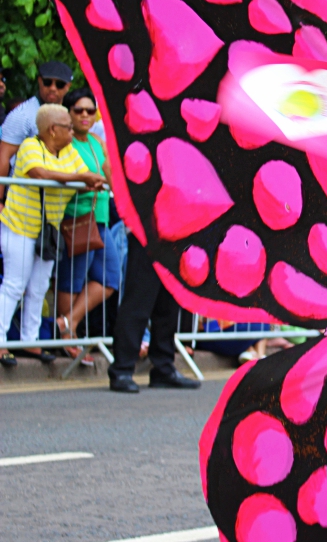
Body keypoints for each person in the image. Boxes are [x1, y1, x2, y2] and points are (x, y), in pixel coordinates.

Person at [0, 104, 103, 367]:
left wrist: (83, 177)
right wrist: (79, 176)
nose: (72, 130)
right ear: (53, 130)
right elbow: (41, 174)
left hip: (48, 231)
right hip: (20, 225)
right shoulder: (29, 147)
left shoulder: (67, 150)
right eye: (67, 127)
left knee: (38, 287)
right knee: (14, 284)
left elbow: (85, 176)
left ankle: (30, 341)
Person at [54, 88, 121, 366]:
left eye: (90, 111)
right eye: (78, 110)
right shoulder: (65, 142)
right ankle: (68, 337)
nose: (84, 115)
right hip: (76, 217)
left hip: (101, 219)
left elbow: (110, 173)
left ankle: (67, 322)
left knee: (109, 278)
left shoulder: (95, 141)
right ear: (68, 113)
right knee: (74, 278)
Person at [107, 237, 202, 392]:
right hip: (147, 229)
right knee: (138, 301)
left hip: (175, 231)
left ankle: (163, 368)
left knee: (168, 305)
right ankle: (122, 368)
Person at [0, 61, 74, 190]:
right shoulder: (23, 115)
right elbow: (3, 156)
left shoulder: (68, 115)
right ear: (39, 81)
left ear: (68, 86)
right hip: (21, 199)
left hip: (54, 201)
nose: (52, 88)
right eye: (47, 82)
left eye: (59, 84)